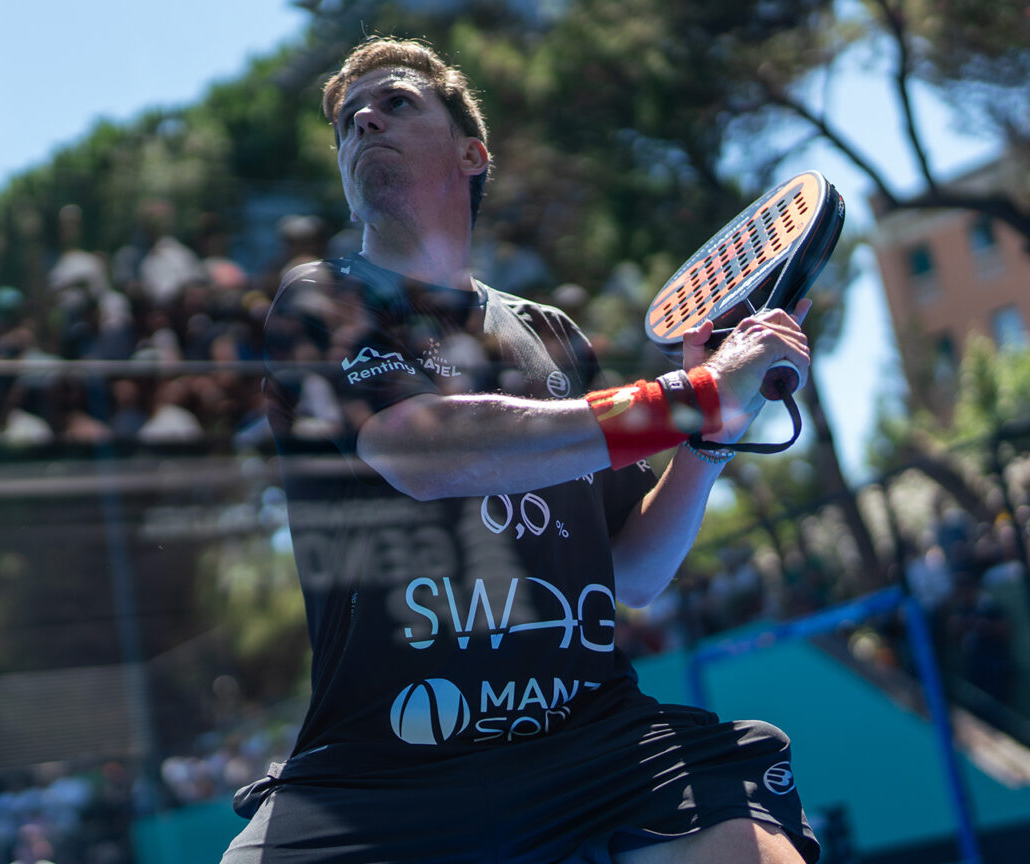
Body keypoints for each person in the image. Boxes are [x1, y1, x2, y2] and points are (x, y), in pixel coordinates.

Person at [223, 37, 820, 863]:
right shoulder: (321, 300)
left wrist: (713, 433)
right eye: (348, 121)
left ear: (472, 153)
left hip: (592, 742)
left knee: (750, 848)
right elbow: (424, 453)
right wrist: (694, 396)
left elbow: (636, 571)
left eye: (396, 103)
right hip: (381, 768)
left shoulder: (553, 336)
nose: (363, 121)